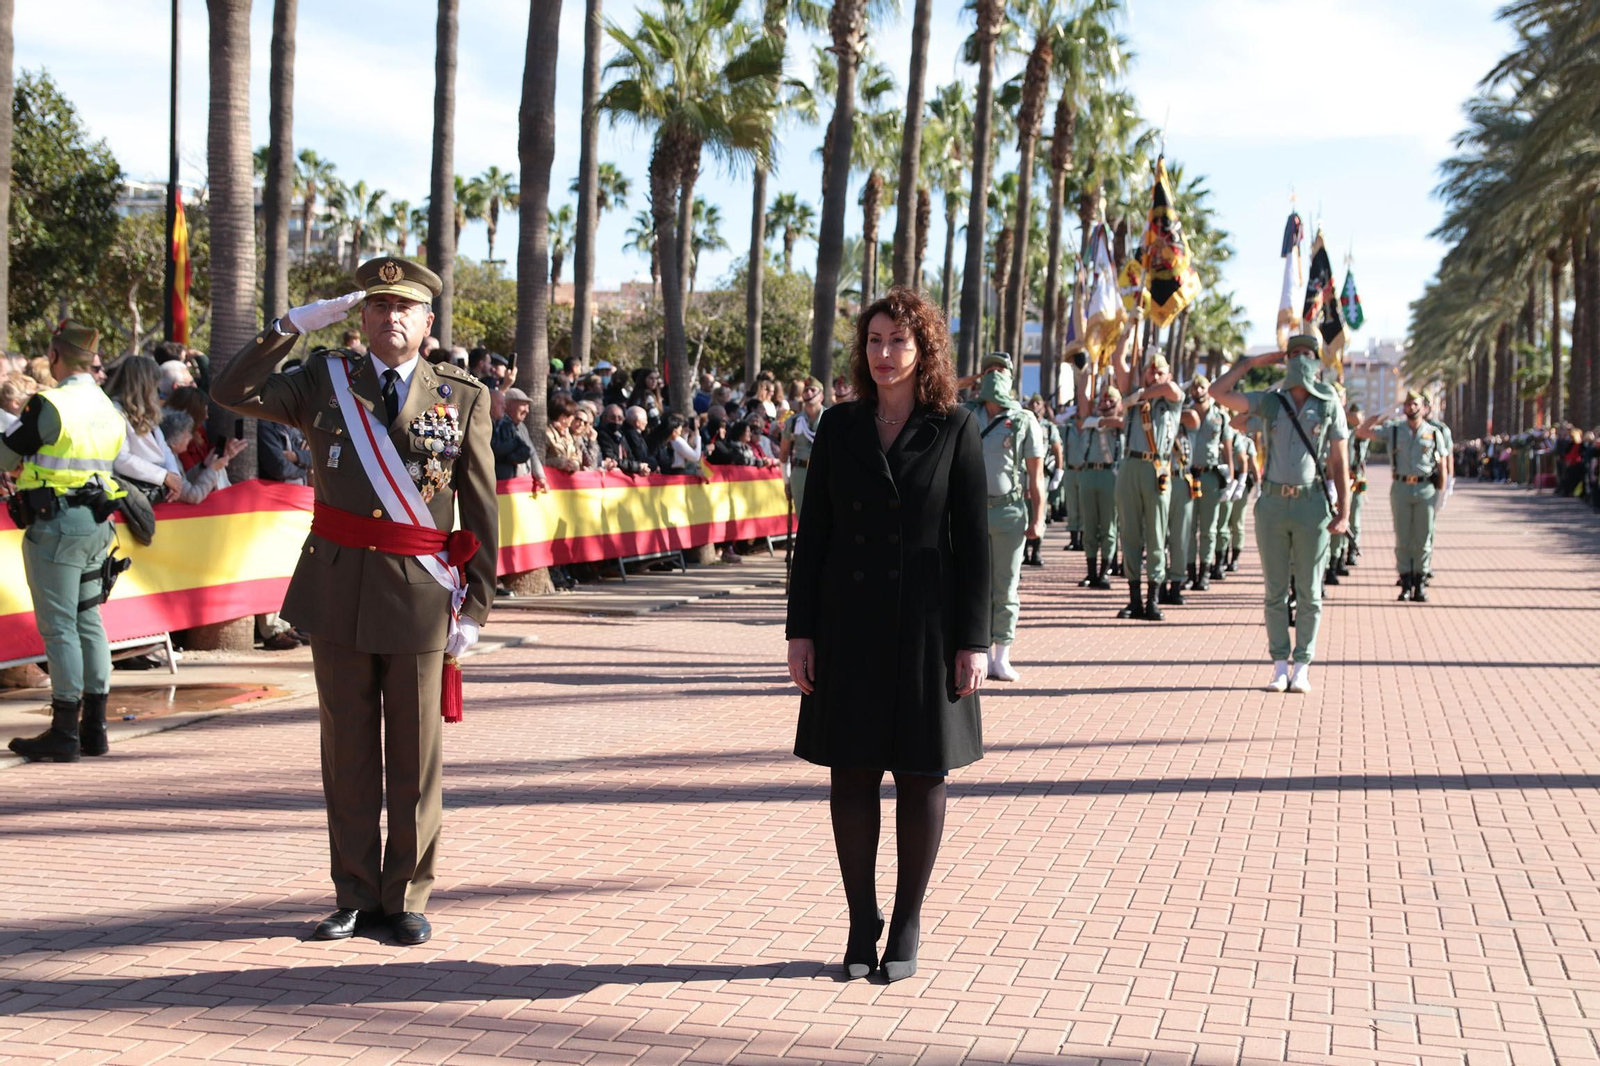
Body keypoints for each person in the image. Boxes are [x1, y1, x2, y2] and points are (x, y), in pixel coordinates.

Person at [210, 257, 499, 947]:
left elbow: (482, 512)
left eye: (404, 308)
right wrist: (292, 326)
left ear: (428, 323)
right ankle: (353, 892)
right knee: (346, 755)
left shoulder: (461, 396)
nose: (389, 317)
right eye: (376, 306)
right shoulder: (323, 379)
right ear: (359, 317)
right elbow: (230, 390)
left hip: (420, 597)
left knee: (415, 756)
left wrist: (476, 610)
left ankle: (406, 895)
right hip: (337, 590)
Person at [786, 286, 989, 983]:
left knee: (921, 772)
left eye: (898, 341)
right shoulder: (838, 427)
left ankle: (905, 919)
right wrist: (800, 631)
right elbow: (813, 537)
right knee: (851, 772)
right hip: (849, 624)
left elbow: (975, 543)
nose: (883, 353)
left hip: (929, 628)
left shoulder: (955, 427)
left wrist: (974, 641)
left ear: (923, 349)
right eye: (873, 341)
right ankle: (859, 916)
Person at [2, 323, 127, 763]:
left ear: (56, 357)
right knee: (88, 621)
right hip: (97, 523)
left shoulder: (50, 404)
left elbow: (6, 454)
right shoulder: (108, 407)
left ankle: (63, 731)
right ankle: (94, 729)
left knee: (59, 629)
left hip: (55, 524)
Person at [1210, 334, 1351, 693]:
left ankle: (1302, 665)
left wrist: (1344, 513)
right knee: (1275, 591)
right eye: (1294, 355)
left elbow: (1340, 462)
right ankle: (1278, 666)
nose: (1300, 360)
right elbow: (1218, 393)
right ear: (1285, 360)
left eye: (1307, 354)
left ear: (1317, 362)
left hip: (1311, 506)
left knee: (1309, 591)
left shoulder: (1328, 401)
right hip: (1272, 504)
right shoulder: (1272, 403)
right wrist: (1253, 363)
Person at [964, 353, 1043, 680]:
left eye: (1001, 370)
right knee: (974, 586)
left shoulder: (1024, 419)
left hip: (1010, 512)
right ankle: (977, 650)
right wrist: (970, 383)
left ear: (1010, 377)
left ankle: (1002, 655)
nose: (995, 375)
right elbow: (930, 394)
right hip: (972, 513)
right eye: (990, 370)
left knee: (1006, 587)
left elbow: (1035, 474)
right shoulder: (968, 413)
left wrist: (1038, 518)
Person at [1109, 313, 1192, 622]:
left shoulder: (1169, 398)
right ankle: (1134, 599)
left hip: (1157, 469)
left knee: (1157, 535)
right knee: (1130, 533)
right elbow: (1118, 359)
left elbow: (1171, 388)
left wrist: (1138, 395)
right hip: (1129, 466)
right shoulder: (1133, 387)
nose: (1154, 375)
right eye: (1150, 370)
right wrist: (1130, 327)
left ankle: (1153, 599)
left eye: (1159, 370)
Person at [1354, 390, 1446, 602]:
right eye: (1407, 405)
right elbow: (1362, 431)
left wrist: (1441, 493)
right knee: (1403, 537)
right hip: (1401, 487)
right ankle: (1405, 582)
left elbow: (1442, 465)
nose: (1411, 408)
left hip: (1425, 489)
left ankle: (1420, 583)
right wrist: (1384, 412)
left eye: (1415, 405)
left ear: (1423, 408)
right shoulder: (1394, 430)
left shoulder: (1433, 432)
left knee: (1423, 537)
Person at [1071, 378, 1123, 590]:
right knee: (1089, 526)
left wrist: (1099, 421)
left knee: (1109, 527)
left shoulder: (1118, 422)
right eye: (1103, 399)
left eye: (1111, 399)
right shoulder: (1089, 419)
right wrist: (1084, 375)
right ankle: (1091, 572)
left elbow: (1121, 422)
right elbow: (1083, 406)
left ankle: (1105, 572)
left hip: (1110, 475)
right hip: (1088, 473)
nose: (1106, 402)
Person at [1186, 373, 1234, 589]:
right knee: (1187, 528)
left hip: (1210, 476)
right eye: (1194, 387)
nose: (1197, 391)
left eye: (1201, 386)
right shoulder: (1185, 414)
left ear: (1209, 389)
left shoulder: (1220, 416)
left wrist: (1231, 478)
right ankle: (1188, 573)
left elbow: (1228, 449)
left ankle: (1204, 573)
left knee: (1208, 528)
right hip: (1187, 475)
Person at [1024, 393, 1063, 567]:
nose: (1034, 405)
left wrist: (1058, 472)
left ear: (1043, 406)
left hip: (1042, 475)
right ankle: (1023, 551)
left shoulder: (1048, 427)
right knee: (1024, 513)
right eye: (1031, 403)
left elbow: (1057, 449)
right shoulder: (1023, 422)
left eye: (1037, 403)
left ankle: (1037, 551)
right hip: (1024, 475)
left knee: (1039, 511)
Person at [780, 377, 827, 514]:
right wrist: (786, 481)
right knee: (803, 518)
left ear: (821, 396)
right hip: (801, 473)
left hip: (825, 472)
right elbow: (783, 453)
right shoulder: (793, 422)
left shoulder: (831, 419)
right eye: (806, 390)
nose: (809, 393)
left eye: (813, 390)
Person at [1341, 402, 1368, 570]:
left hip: (1357, 480)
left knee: (1355, 520)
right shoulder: (1343, 429)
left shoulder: (1362, 432)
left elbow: (1361, 423)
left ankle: (1352, 550)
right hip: (1343, 477)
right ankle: (1340, 552)